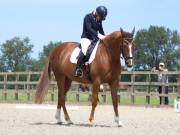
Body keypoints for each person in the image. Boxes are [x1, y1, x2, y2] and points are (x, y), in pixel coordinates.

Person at [74, 6, 108, 77]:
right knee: (85, 50)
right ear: (96, 13)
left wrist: (105, 38)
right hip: (86, 38)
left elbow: (101, 30)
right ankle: (78, 69)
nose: (100, 19)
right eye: (100, 17)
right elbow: (89, 29)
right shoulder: (87, 17)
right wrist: (98, 35)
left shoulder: (99, 20)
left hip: (94, 39)